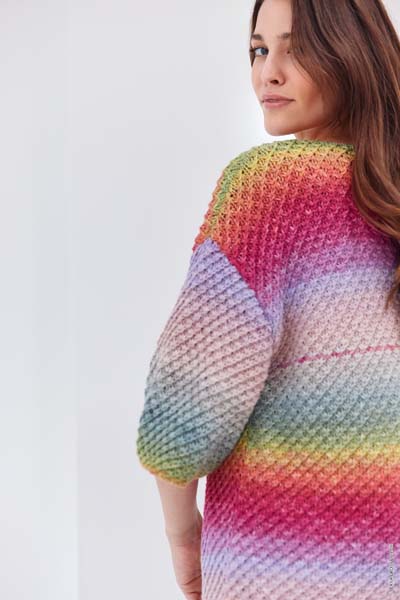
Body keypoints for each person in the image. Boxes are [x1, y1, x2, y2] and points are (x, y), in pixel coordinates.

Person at [136, 0, 400, 598]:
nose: (268, 73)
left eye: (296, 48)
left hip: (273, 571)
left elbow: (184, 410)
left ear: (351, 53)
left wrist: (183, 537)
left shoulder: (270, 190)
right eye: (259, 49)